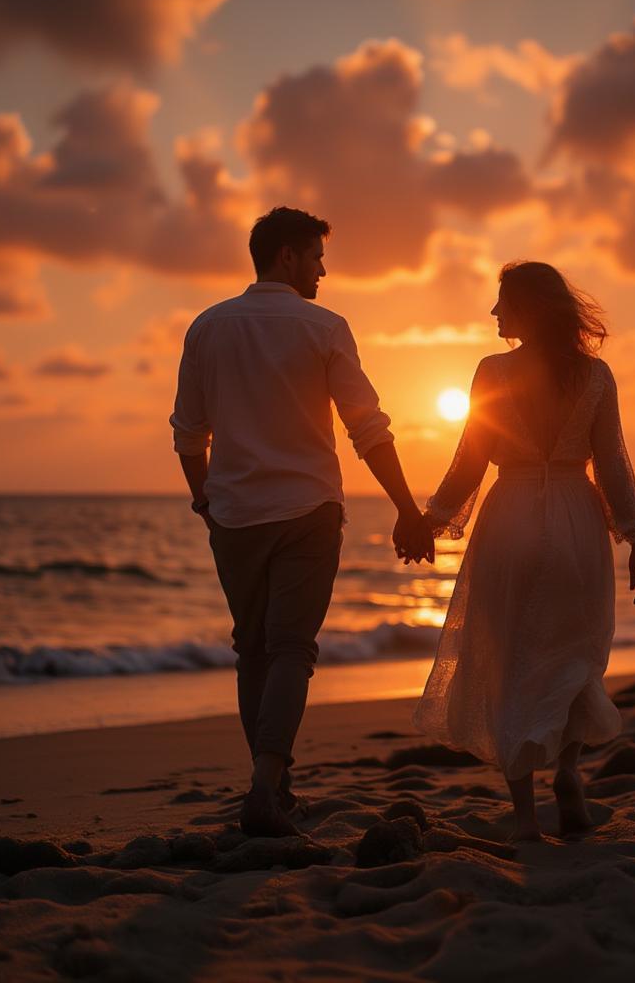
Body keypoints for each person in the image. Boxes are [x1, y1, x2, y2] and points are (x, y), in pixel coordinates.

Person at [170, 207, 433, 838]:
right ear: (287, 256)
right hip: (310, 510)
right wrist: (406, 508)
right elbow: (367, 428)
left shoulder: (207, 327)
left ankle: (273, 785)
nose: (322, 271)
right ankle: (267, 786)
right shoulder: (324, 326)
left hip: (234, 514)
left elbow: (187, 435)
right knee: (291, 648)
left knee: (252, 649)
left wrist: (206, 503)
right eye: (316, 258)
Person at [413, 260, 635, 842]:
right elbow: (614, 465)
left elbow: (471, 460)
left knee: (507, 660)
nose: (494, 313)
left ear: (527, 309)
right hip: (577, 519)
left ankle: (524, 815)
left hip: (512, 517)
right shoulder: (595, 376)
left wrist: (431, 520)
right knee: (575, 655)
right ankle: (568, 771)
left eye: (503, 302)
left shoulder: (492, 371)